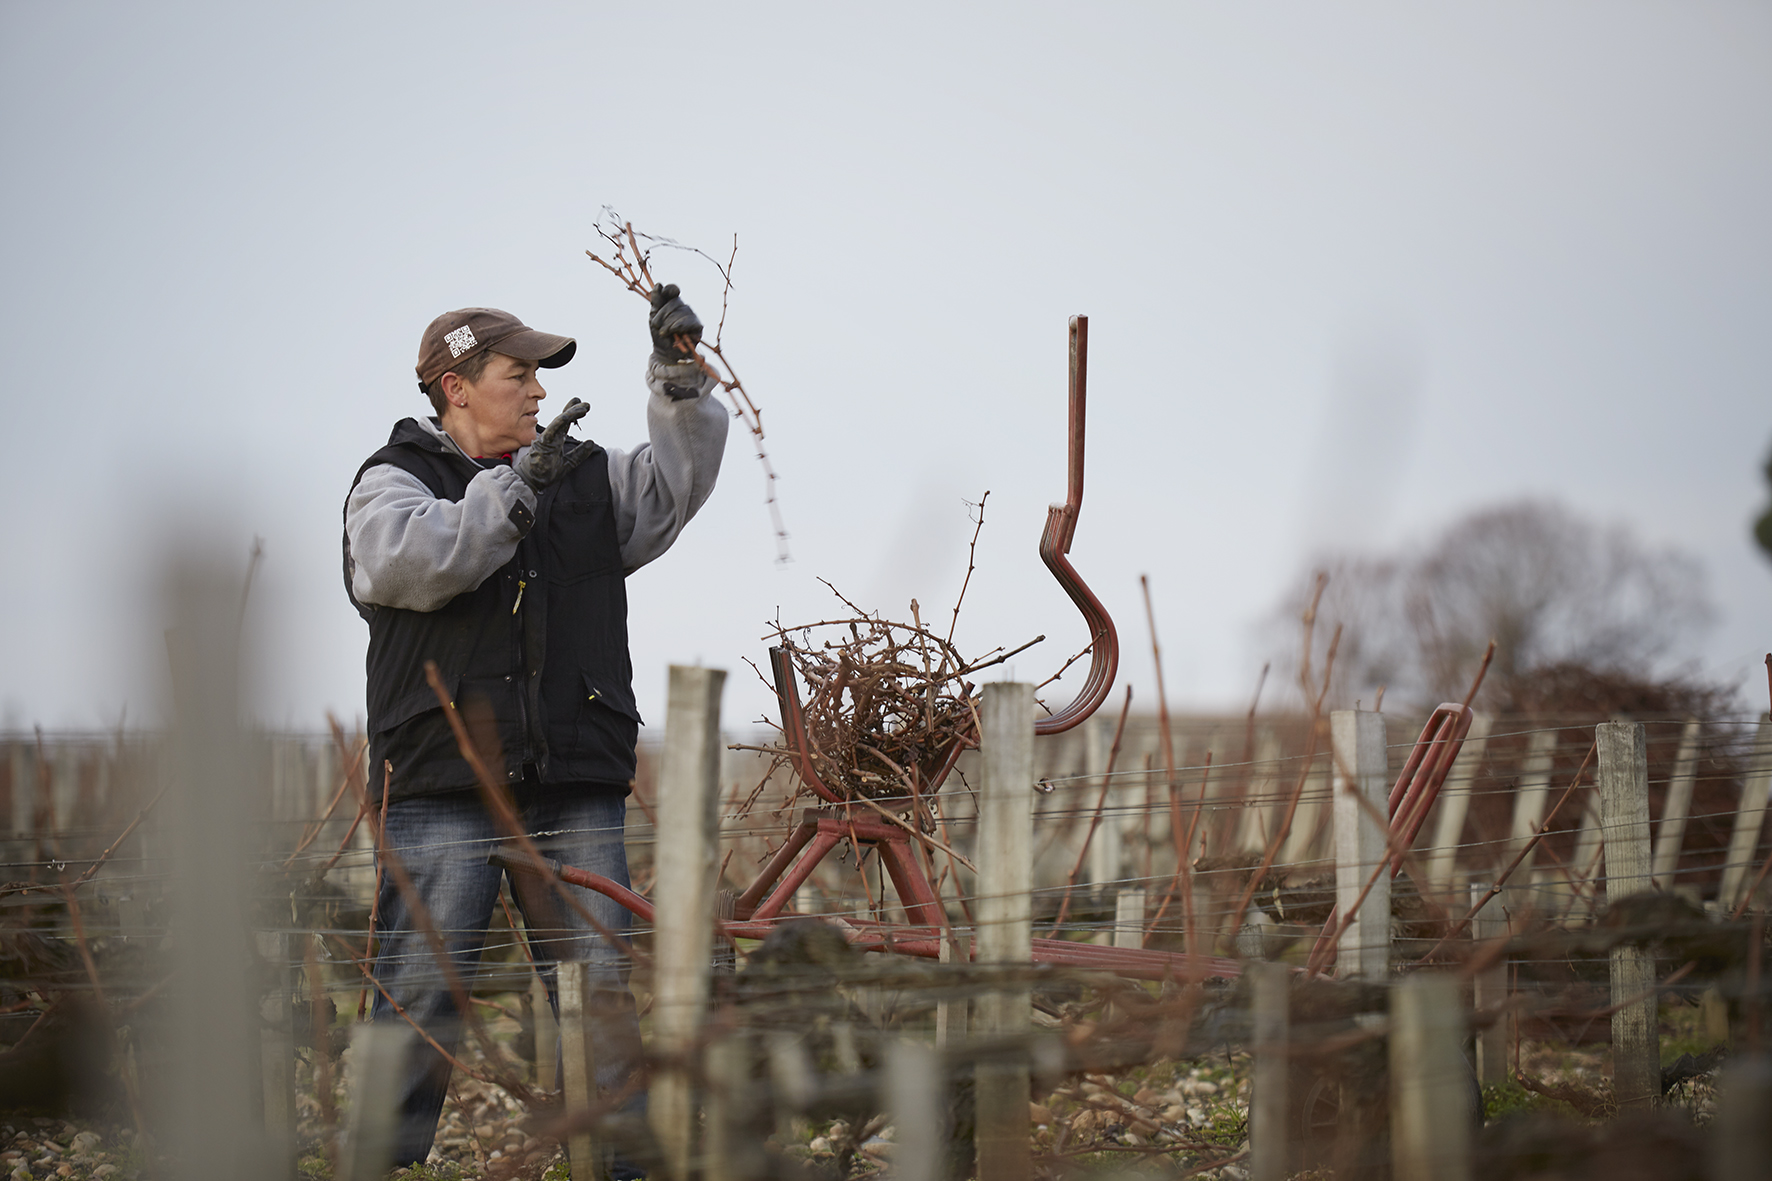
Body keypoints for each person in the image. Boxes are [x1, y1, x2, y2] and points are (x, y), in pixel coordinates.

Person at [342, 285, 727, 1174]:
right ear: (456, 386)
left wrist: (678, 381)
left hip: (571, 783)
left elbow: (673, 487)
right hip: (443, 788)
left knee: (598, 999)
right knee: (418, 996)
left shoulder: (582, 475)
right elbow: (419, 559)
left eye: (541, 377)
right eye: (519, 375)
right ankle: (375, 1166)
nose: (540, 393)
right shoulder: (389, 483)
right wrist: (517, 489)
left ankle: (624, 1170)